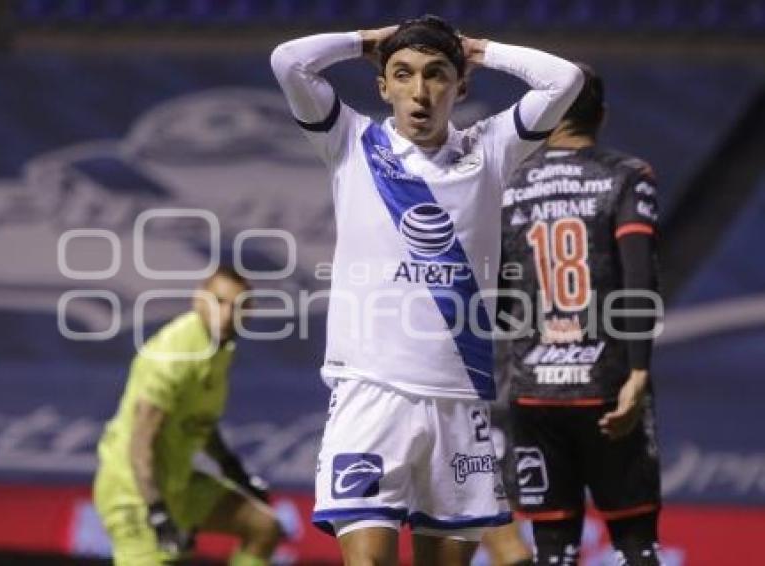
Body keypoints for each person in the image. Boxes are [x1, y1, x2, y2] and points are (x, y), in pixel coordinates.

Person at [271, 15, 583, 566]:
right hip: (371, 394)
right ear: (382, 85)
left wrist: (480, 49)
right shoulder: (351, 141)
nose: (420, 92)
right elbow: (288, 60)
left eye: (437, 74)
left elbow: (565, 81)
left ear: (461, 86)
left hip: (459, 401)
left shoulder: (490, 148)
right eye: (403, 73)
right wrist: (369, 40)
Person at [497, 65, 663, 565]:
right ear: (602, 116)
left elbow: (501, 297)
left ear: (547, 118)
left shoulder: (508, 182)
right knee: (635, 544)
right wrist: (637, 371)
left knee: (554, 548)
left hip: (532, 393)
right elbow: (639, 279)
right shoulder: (628, 175)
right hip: (609, 388)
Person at [93, 267, 283, 566]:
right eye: (218, 302)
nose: (227, 313)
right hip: (133, 492)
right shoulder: (173, 356)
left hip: (178, 483)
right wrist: (156, 511)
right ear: (198, 300)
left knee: (264, 527)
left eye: (238, 306)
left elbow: (200, 422)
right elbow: (140, 445)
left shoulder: (219, 348)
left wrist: (234, 471)